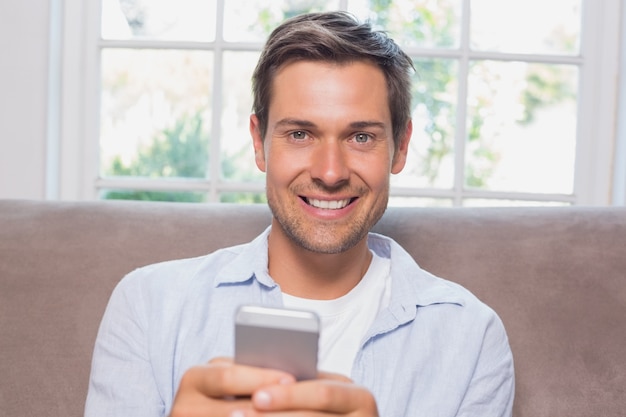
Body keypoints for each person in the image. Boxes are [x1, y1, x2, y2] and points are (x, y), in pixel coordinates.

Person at [85, 11, 514, 417]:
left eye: (361, 136)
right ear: (259, 143)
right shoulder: (148, 305)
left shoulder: (472, 338)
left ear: (400, 147)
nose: (330, 172)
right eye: (300, 133)